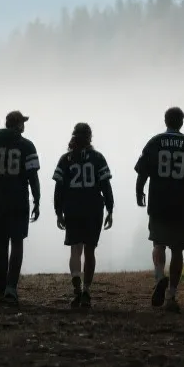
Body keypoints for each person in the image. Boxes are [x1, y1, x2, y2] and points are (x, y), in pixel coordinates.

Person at [133, 106, 184, 313]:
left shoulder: (154, 142)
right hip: (182, 205)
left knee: (158, 244)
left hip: (158, 202)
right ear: (181, 122)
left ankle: (159, 277)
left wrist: (139, 193)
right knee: (177, 249)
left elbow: (142, 173)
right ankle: (172, 296)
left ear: (166, 121)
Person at [0, 110, 41, 306]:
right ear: (19, 125)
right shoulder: (27, 146)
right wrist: (37, 200)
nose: (24, 125)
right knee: (17, 243)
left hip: (0, 201)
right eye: (23, 122)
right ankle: (11, 288)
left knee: (1, 245)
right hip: (19, 201)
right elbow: (33, 176)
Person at [52, 122, 114, 309]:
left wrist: (58, 211)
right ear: (90, 137)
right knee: (90, 250)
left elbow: (59, 188)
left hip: (73, 208)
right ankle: (87, 290)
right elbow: (105, 186)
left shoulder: (66, 159)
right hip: (93, 208)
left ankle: (76, 285)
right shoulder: (98, 158)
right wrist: (110, 208)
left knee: (75, 249)